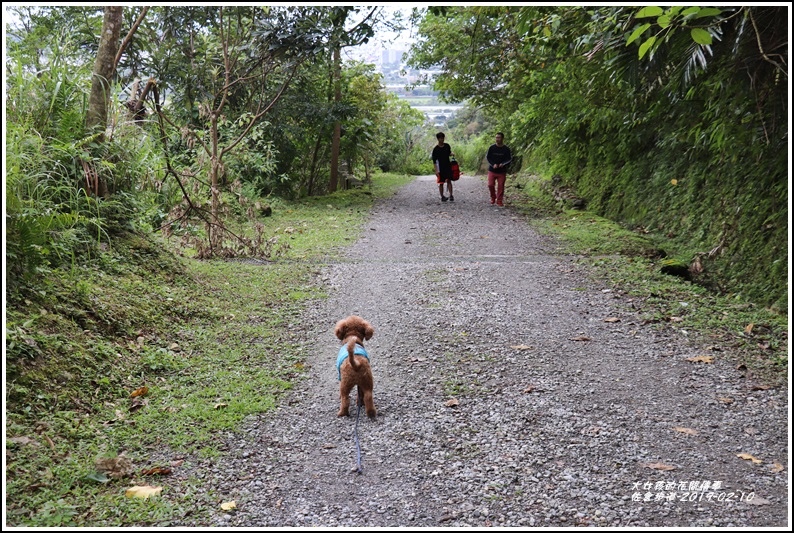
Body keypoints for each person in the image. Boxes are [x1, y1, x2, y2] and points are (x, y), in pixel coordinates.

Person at [485, 132, 512, 207]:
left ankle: (499, 200)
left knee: (501, 186)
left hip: (501, 171)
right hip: (492, 170)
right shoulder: (492, 147)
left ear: (502, 138)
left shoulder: (506, 149)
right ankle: (493, 197)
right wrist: (493, 164)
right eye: (496, 137)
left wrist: (503, 163)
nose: (497, 139)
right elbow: (488, 157)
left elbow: (509, 159)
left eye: (499, 138)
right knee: (490, 185)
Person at [431, 132, 455, 202]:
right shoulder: (435, 149)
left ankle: (451, 195)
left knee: (449, 181)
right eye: (440, 138)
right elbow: (434, 161)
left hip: (448, 166)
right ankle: (442, 196)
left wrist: (451, 154)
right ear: (438, 139)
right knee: (441, 183)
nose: (442, 139)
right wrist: (436, 170)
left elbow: (449, 153)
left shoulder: (447, 146)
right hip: (440, 168)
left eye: (443, 138)